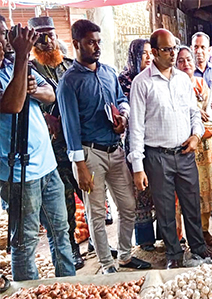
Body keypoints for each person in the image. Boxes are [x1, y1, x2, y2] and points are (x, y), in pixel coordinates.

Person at [58, 19, 151, 274]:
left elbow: (121, 99)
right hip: (89, 154)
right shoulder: (69, 82)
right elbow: (70, 127)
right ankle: (106, 264)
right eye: (90, 42)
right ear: (76, 44)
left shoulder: (109, 72)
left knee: (129, 205)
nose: (96, 47)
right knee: (97, 212)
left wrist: (122, 116)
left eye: (98, 42)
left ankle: (123, 255)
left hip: (115, 149)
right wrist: (80, 166)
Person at [129, 29, 212, 269]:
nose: (172, 53)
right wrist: (138, 167)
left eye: (174, 48)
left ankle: (199, 252)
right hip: (157, 156)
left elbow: (194, 114)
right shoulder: (142, 83)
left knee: (192, 205)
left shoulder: (182, 79)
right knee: (166, 209)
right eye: (166, 49)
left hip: (185, 153)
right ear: (154, 52)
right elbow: (136, 127)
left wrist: (196, 136)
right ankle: (174, 255)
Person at [0, 19, 75, 281]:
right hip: (20, 172)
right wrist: (22, 56)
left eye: (3, 34)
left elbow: (50, 93)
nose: (3, 41)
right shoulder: (19, 61)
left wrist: (32, 89)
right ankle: (29, 291)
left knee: (60, 231)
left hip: (47, 163)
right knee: (25, 241)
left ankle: (68, 285)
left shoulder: (14, 65)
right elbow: (11, 104)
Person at [27, 16, 83, 270]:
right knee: (65, 198)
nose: (48, 41)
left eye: (50, 34)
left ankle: (96, 240)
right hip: (52, 147)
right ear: (32, 38)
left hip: (78, 140)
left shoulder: (69, 65)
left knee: (90, 193)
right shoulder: (28, 69)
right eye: (41, 36)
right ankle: (72, 247)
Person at [176, 45, 212, 247]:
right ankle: (182, 234)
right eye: (181, 60)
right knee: (188, 191)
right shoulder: (175, 86)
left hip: (208, 145)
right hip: (188, 145)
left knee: (207, 188)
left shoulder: (201, 83)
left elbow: (210, 111)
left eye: (189, 60)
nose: (186, 64)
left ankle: (204, 231)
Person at [118, 38, 156, 252]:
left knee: (157, 189)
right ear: (134, 56)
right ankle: (144, 238)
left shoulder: (154, 78)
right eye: (144, 53)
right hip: (134, 141)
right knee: (139, 191)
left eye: (151, 52)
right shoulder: (124, 80)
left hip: (155, 140)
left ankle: (163, 235)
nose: (149, 57)